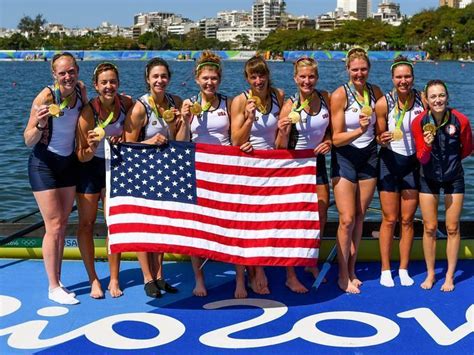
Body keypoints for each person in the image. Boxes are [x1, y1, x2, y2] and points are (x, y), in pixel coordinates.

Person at [180, 51, 246, 298]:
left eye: (214, 78)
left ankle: (239, 279)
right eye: (205, 78)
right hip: (198, 172)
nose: (210, 83)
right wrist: (185, 122)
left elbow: (237, 138)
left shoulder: (229, 103)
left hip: (225, 172)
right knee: (197, 229)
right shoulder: (187, 104)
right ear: (197, 79)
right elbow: (180, 143)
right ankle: (199, 279)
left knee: (234, 226)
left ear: (220, 80)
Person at [24, 52, 88, 305]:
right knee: (54, 225)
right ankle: (53, 286)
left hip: (68, 163)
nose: (68, 77)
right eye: (62, 73)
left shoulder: (81, 92)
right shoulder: (45, 97)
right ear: (54, 75)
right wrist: (40, 124)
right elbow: (27, 139)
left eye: (71, 71)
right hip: (44, 164)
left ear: (77, 72)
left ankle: (59, 280)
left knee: (62, 223)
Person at [123, 58, 181, 298]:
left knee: (162, 226)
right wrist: (149, 142)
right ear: (148, 79)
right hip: (143, 172)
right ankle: (147, 277)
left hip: (167, 171)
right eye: (155, 77)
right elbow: (127, 144)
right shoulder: (140, 107)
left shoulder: (175, 102)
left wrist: (179, 123)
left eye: (164, 76)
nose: (160, 81)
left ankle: (160, 276)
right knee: (144, 227)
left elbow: (180, 139)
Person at [75, 62, 133, 298]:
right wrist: (91, 146)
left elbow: (136, 128)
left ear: (118, 84)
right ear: (96, 86)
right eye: (104, 82)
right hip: (89, 167)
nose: (109, 86)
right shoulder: (88, 112)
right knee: (86, 224)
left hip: (114, 167)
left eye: (113, 82)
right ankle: (94, 280)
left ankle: (115, 278)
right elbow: (81, 155)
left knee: (114, 223)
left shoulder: (126, 103)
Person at [275, 57, 332, 293]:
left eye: (311, 77)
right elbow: (279, 147)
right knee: (295, 221)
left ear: (316, 78)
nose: (307, 81)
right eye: (303, 77)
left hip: (316, 161)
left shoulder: (325, 98)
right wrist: (283, 130)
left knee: (321, 214)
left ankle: (311, 262)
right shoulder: (289, 105)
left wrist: (328, 142)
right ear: (295, 79)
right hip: (295, 164)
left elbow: (330, 131)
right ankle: (290, 274)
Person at [231, 55, 285, 295]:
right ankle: (248, 276)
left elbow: (282, 135)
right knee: (246, 224)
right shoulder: (239, 101)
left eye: (262, 75)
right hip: (248, 167)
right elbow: (235, 140)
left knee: (268, 222)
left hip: (272, 167)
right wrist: (250, 119)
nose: (258, 80)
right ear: (247, 79)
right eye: (253, 76)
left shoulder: (279, 96)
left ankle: (261, 268)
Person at [330, 48, 383, 294]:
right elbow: (337, 138)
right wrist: (360, 132)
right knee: (347, 218)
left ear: (368, 70)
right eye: (355, 70)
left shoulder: (376, 93)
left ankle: (352, 269)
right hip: (345, 157)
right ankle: (342, 275)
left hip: (369, 157)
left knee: (361, 217)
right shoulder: (341, 95)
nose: (359, 74)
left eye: (363, 69)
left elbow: (381, 129)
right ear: (347, 70)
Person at [411, 79, 472, 292]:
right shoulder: (418, 122)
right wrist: (427, 145)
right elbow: (422, 158)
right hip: (428, 177)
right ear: (426, 99)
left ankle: (449, 276)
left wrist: (451, 164)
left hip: (454, 177)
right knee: (429, 227)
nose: (438, 100)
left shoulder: (461, 120)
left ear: (447, 97)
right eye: (433, 96)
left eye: (441, 95)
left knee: (453, 227)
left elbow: (467, 149)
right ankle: (430, 274)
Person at [375, 56, 425, 287]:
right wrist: (381, 138)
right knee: (389, 218)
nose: (403, 81)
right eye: (399, 77)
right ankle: (386, 269)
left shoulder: (422, 101)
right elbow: (378, 135)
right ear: (392, 79)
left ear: (413, 78)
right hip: (389, 162)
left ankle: (403, 268)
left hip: (413, 164)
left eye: (407, 76)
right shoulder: (384, 102)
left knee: (407, 220)